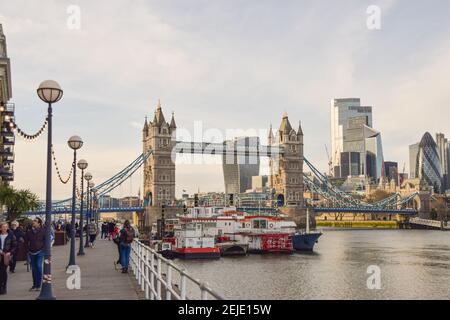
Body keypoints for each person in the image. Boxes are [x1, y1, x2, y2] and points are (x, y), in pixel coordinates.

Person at [24, 217, 46, 291]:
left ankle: (39, 285)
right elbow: (25, 242)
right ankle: (35, 285)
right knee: (34, 268)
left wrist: (43, 249)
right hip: (31, 252)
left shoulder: (43, 231)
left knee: (39, 266)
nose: (33, 222)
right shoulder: (29, 232)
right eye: (33, 221)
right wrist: (28, 249)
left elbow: (46, 241)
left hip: (40, 251)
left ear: (39, 223)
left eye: (35, 221)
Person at [0, 222, 17, 295]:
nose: (5, 228)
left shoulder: (11, 235)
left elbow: (15, 245)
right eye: (3, 227)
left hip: (6, 255)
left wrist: (10, 252)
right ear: (0, 228)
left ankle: (3, 287)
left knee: (3, 271)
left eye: (6, 227)